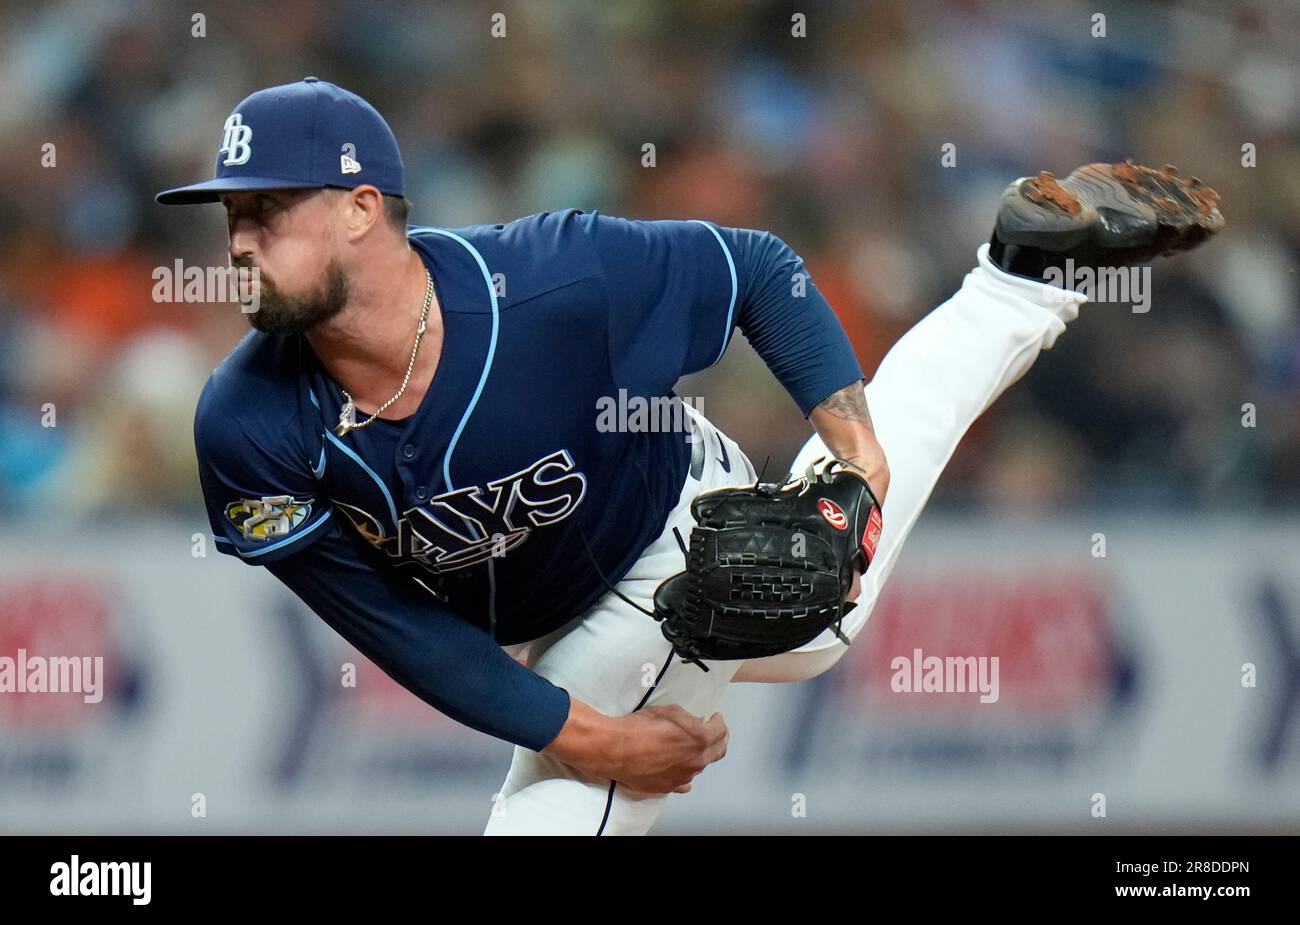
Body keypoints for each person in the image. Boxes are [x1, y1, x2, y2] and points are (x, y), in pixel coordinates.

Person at [157, 78, 1221, 834]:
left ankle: (1010, 290)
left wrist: (855, 456)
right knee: (822, 630)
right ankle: (1021, 277)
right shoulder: (244, 425)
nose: (239, 239)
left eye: (267, 210)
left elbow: (755, 268)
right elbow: (398, 630)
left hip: (670, 550)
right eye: (231, 216)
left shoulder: (549, 283)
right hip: (560, 615)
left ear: (358, 210)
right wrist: (591, 735)